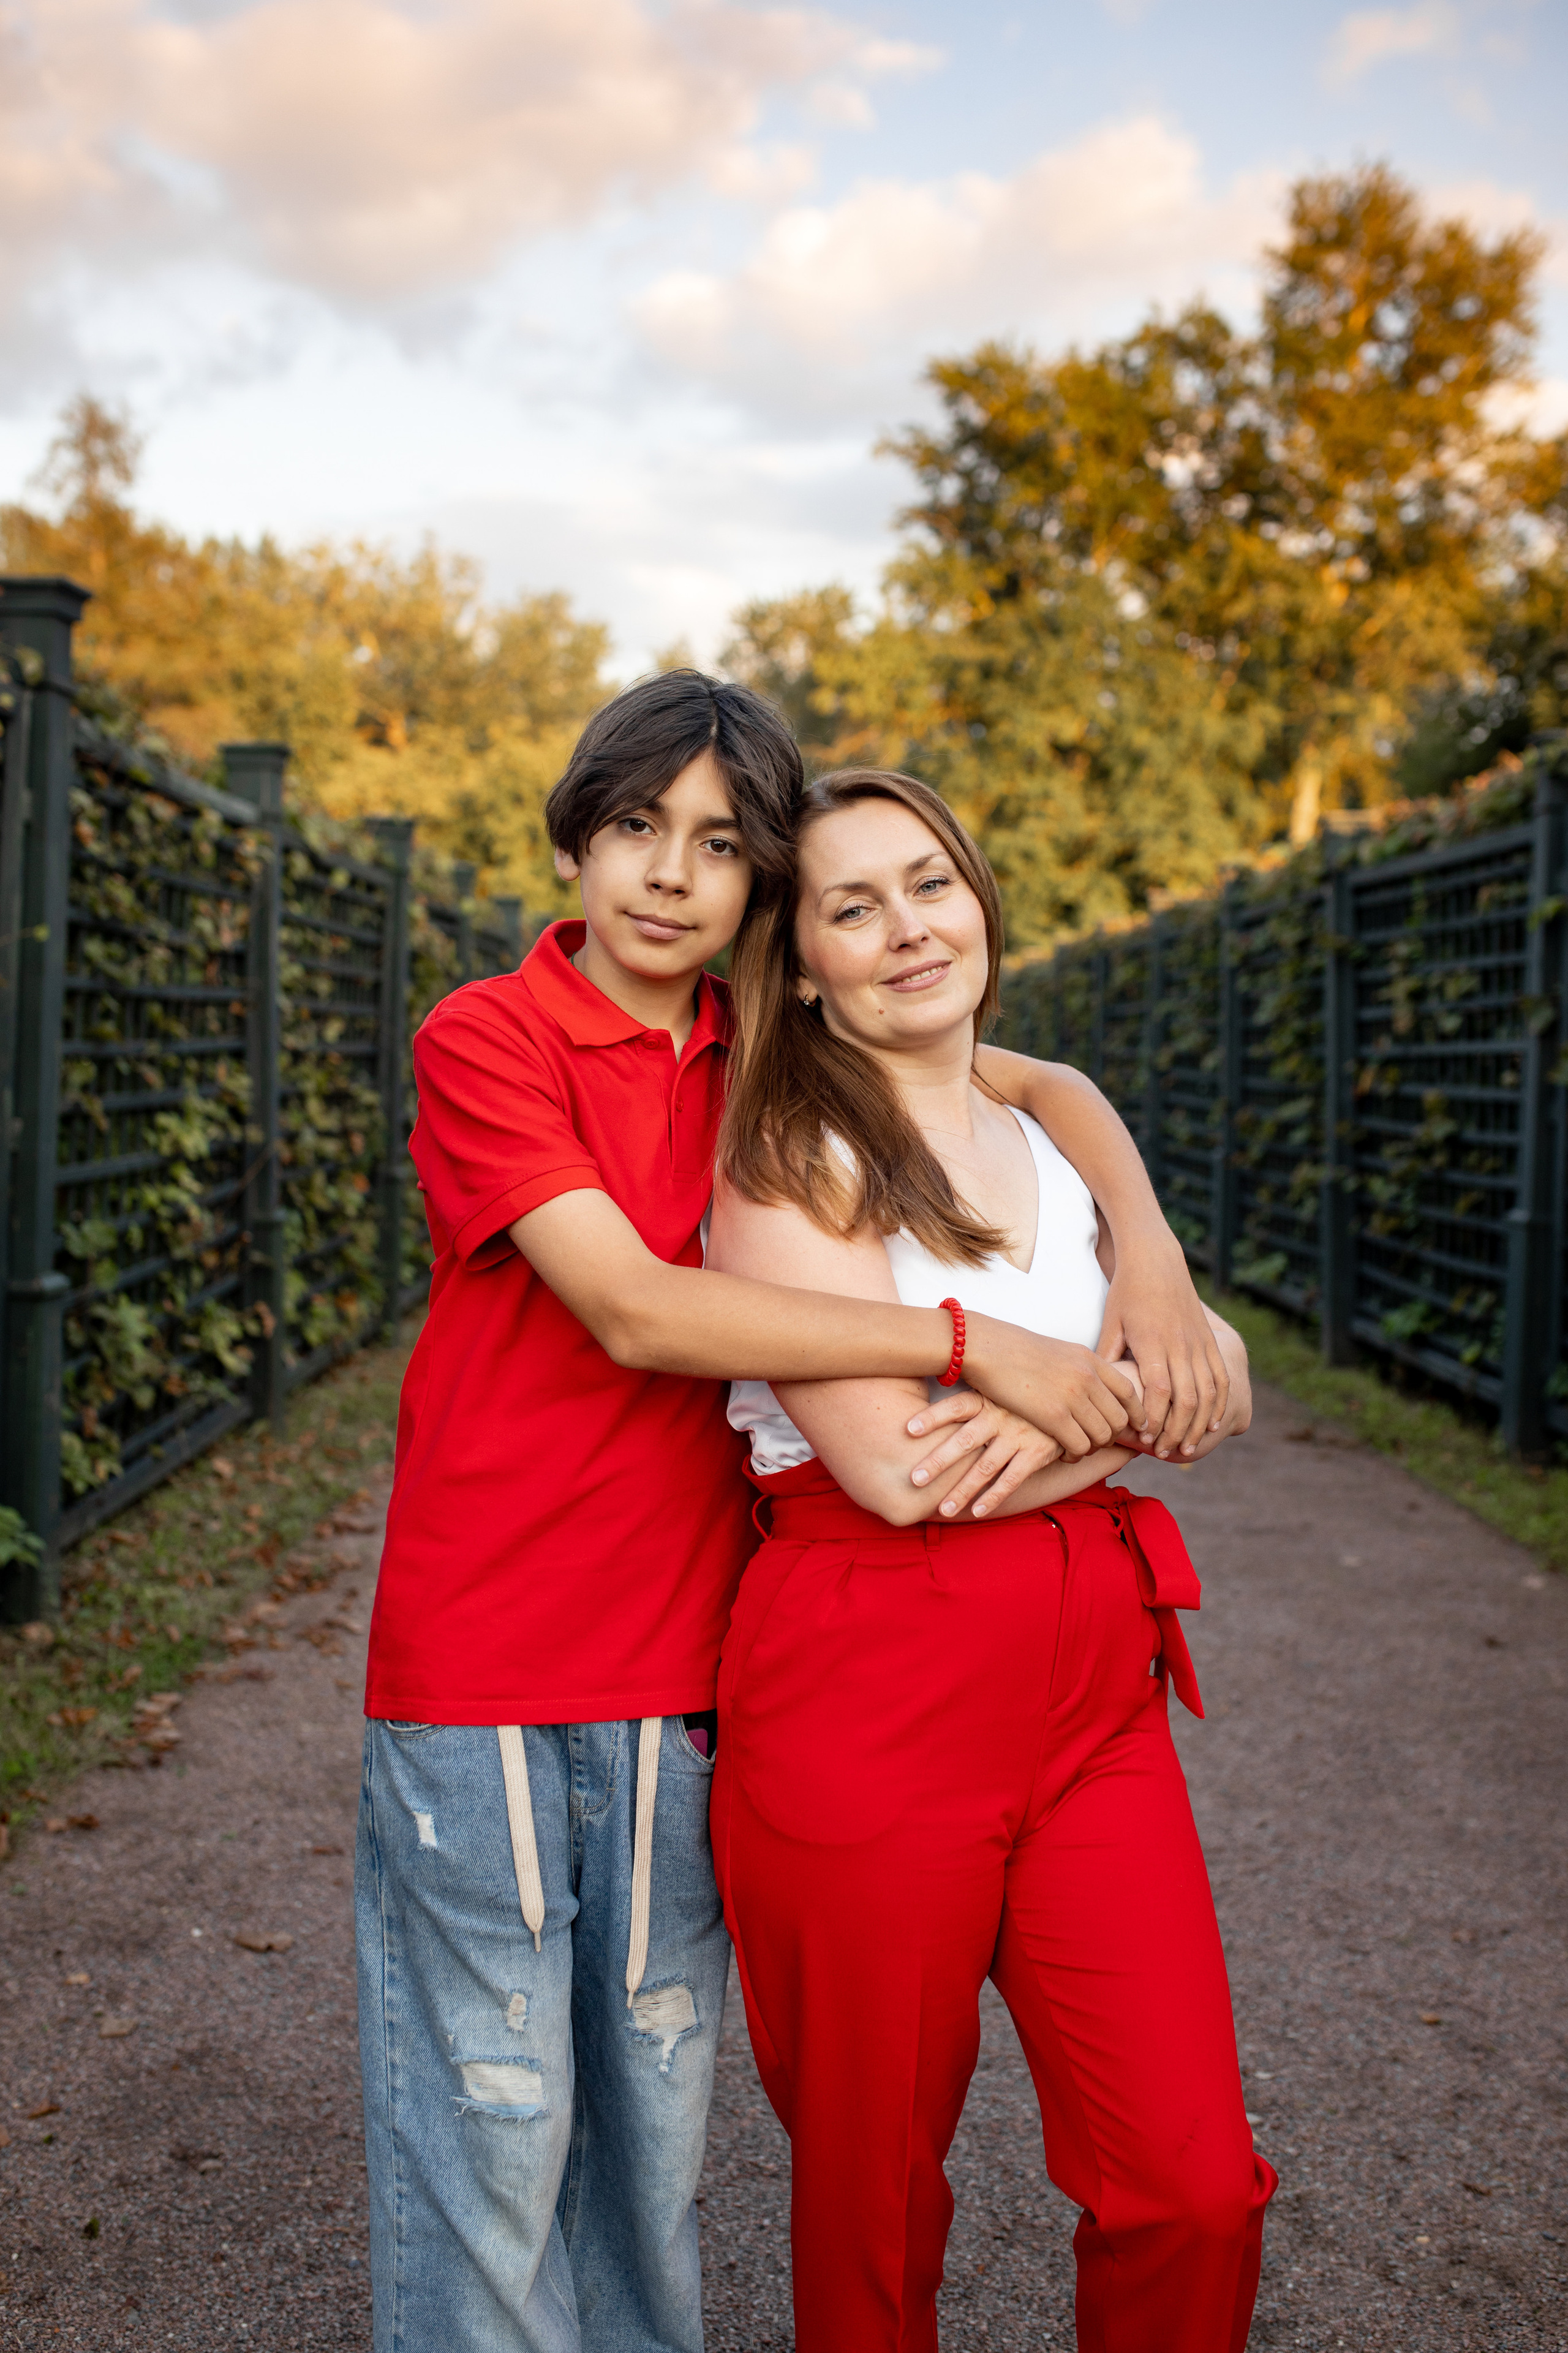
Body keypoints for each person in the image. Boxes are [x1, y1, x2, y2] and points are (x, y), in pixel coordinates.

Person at [357, 673, 1235, 2353]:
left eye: (718, 846)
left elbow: (1040, 1077)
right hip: (499, 1649)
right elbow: (637, 1311)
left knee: (650, 2132)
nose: (669, 874)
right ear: (578, 833)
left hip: (687, 1649)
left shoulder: (757, 1046)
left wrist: (1157, 1257)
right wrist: (992, 1350)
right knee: (497, 2120)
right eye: (638, 826)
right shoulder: (494, 1035)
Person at [707, 766, 1277, 2353]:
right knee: (876, 2200)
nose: (907, 928)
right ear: (799, 964)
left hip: (1095, 1699)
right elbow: (902, 1474)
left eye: (930, 883)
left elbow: (1213, 1374)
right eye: (853, 907)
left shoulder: (1051, 1126)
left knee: (1193, 2187)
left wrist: (1145, 1303)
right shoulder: (790, 1159)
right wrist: (1140, 1398)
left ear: (979, 900)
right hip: (868, 1689)